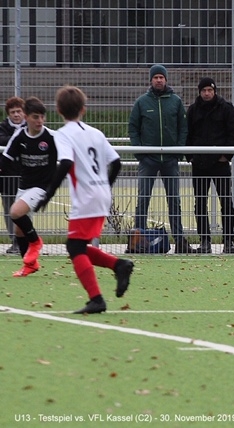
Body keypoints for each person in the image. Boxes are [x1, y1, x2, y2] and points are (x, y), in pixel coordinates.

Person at [34, 85, 134, 314]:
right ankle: (119, 266)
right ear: (83, 109)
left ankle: (97, 298)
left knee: (74, 246)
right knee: (79, 245)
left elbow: (67, 163)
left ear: (58, 110)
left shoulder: (64, 134)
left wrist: (48, 194)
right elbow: (116, 163)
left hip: (87, 196)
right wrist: (104, 187)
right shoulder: (95, 133)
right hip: (101, 195)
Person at [128, 64, 194, 254]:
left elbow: (183, 127)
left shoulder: (175, 101)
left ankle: (180, 240)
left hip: (170, 161)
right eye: (155, 77)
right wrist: (140, 152)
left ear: (166, 79)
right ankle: (137, 241)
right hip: (148, 160)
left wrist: (178, 150)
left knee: (174, 200)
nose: (159, 80)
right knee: (143, 200)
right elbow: (133, 127)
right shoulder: (141, 102)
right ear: (151, 79)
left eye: (161, 77)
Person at [0, 97, 56, 276]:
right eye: (35, 117)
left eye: (42, 117)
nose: (39, 121)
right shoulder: (19, 136)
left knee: (15, 212)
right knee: (19, 229)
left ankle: (36, 241)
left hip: (42, 187)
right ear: (26, 117)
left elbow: (68, 158)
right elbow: (6, 159)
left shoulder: (51, 137)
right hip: (24, 187)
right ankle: (29, 265)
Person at [186, 77, 234, 254]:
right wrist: (190, 156)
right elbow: (188, 134)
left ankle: (229, 242)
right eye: (204, 90)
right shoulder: (193, 110)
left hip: (220, 164)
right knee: (200, 203)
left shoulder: (226, 108)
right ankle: (204, 241)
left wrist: (226, 156)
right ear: (199, 92)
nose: (207, 93)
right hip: (199, 164)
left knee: (226, 202)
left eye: (210, 90)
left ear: (215, 91)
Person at [0, 96, 25, 254]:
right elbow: (2, 140)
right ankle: (14, 241)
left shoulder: (31, 126)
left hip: (25, 176)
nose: (16, 115)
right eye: (13, 112)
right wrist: (18, 140)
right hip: (7, 177)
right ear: (8, 114)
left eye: (19, 111)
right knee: (9, 209)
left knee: (23, 211)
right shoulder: (3, 127)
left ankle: (24, 240)